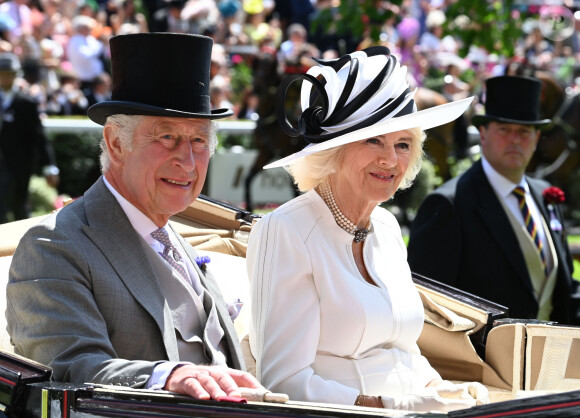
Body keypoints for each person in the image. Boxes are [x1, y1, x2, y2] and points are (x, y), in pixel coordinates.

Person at [6, 33, 262, 400]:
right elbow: (69, 368)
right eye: (167, 137)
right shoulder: (53, 246)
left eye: (199, 141)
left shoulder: (173, 235)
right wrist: (167, 376)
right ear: (115, 143)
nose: (187, 162)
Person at [246, 46, 488, 412]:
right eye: (373, 140)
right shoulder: (286, 230)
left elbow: (401, 348)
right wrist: (386, 405)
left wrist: (440, 388)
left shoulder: (387, 227)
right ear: (333, 152)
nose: (390, 159)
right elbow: (281, 381)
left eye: (402, 144)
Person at [408, 75, 580, 325]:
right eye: (504, 129)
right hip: (481, 361)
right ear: (483, 134)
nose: (514, 139)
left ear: (536, 139)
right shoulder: (449, 204)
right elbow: (427, 308)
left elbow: (565, 290)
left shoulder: (545, 196)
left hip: (551, 357)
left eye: (524, 131)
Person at [0, 52, 59, 223]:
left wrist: (49, 166)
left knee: (18, 206)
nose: (4, 78)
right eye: (2, 74)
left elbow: (39, 137)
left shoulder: (26, 102)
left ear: (15, 76)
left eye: (8, 74)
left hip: (18, 166)